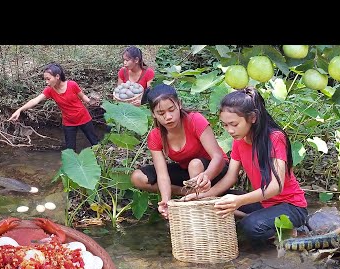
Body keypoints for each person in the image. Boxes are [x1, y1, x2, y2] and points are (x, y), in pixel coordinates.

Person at [186, 87, 308, 242]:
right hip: (264, 203)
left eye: (234, 124)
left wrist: (239, 201)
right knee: (220, 199)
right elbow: (230, 177)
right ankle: (253, 218)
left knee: (250, 227)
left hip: (291, 207)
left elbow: (276, 187)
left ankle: (290, 232)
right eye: (225, 125)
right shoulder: (239, 141)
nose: (230, 130)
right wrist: (202, 196)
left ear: (252, 118)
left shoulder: (275, 138)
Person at [130, 83, 229, 219]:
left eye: (171, 110)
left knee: (194, 164)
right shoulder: (155, 135)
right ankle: (187, 193)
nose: (168, 117)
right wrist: (166, 201)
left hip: (214, 169)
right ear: (153, 114)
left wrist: (206, 176)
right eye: (161, 113)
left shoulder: (195, 120)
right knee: (138, 177)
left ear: (179, 104)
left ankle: (200, 204)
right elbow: (162, 174)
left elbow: (217, 157)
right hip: (188, 175)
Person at [9, 63, 99, 152]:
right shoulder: (50, 90)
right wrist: (19, 110)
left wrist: (91, 102)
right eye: (45, 79)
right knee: (70, 151)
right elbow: (35, 100)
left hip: (84, 118)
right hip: (69, 123)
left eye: (48, 79)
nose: (46, 82)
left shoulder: (72, 85)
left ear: (57, 76)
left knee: (95, 143)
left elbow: (83, 97)